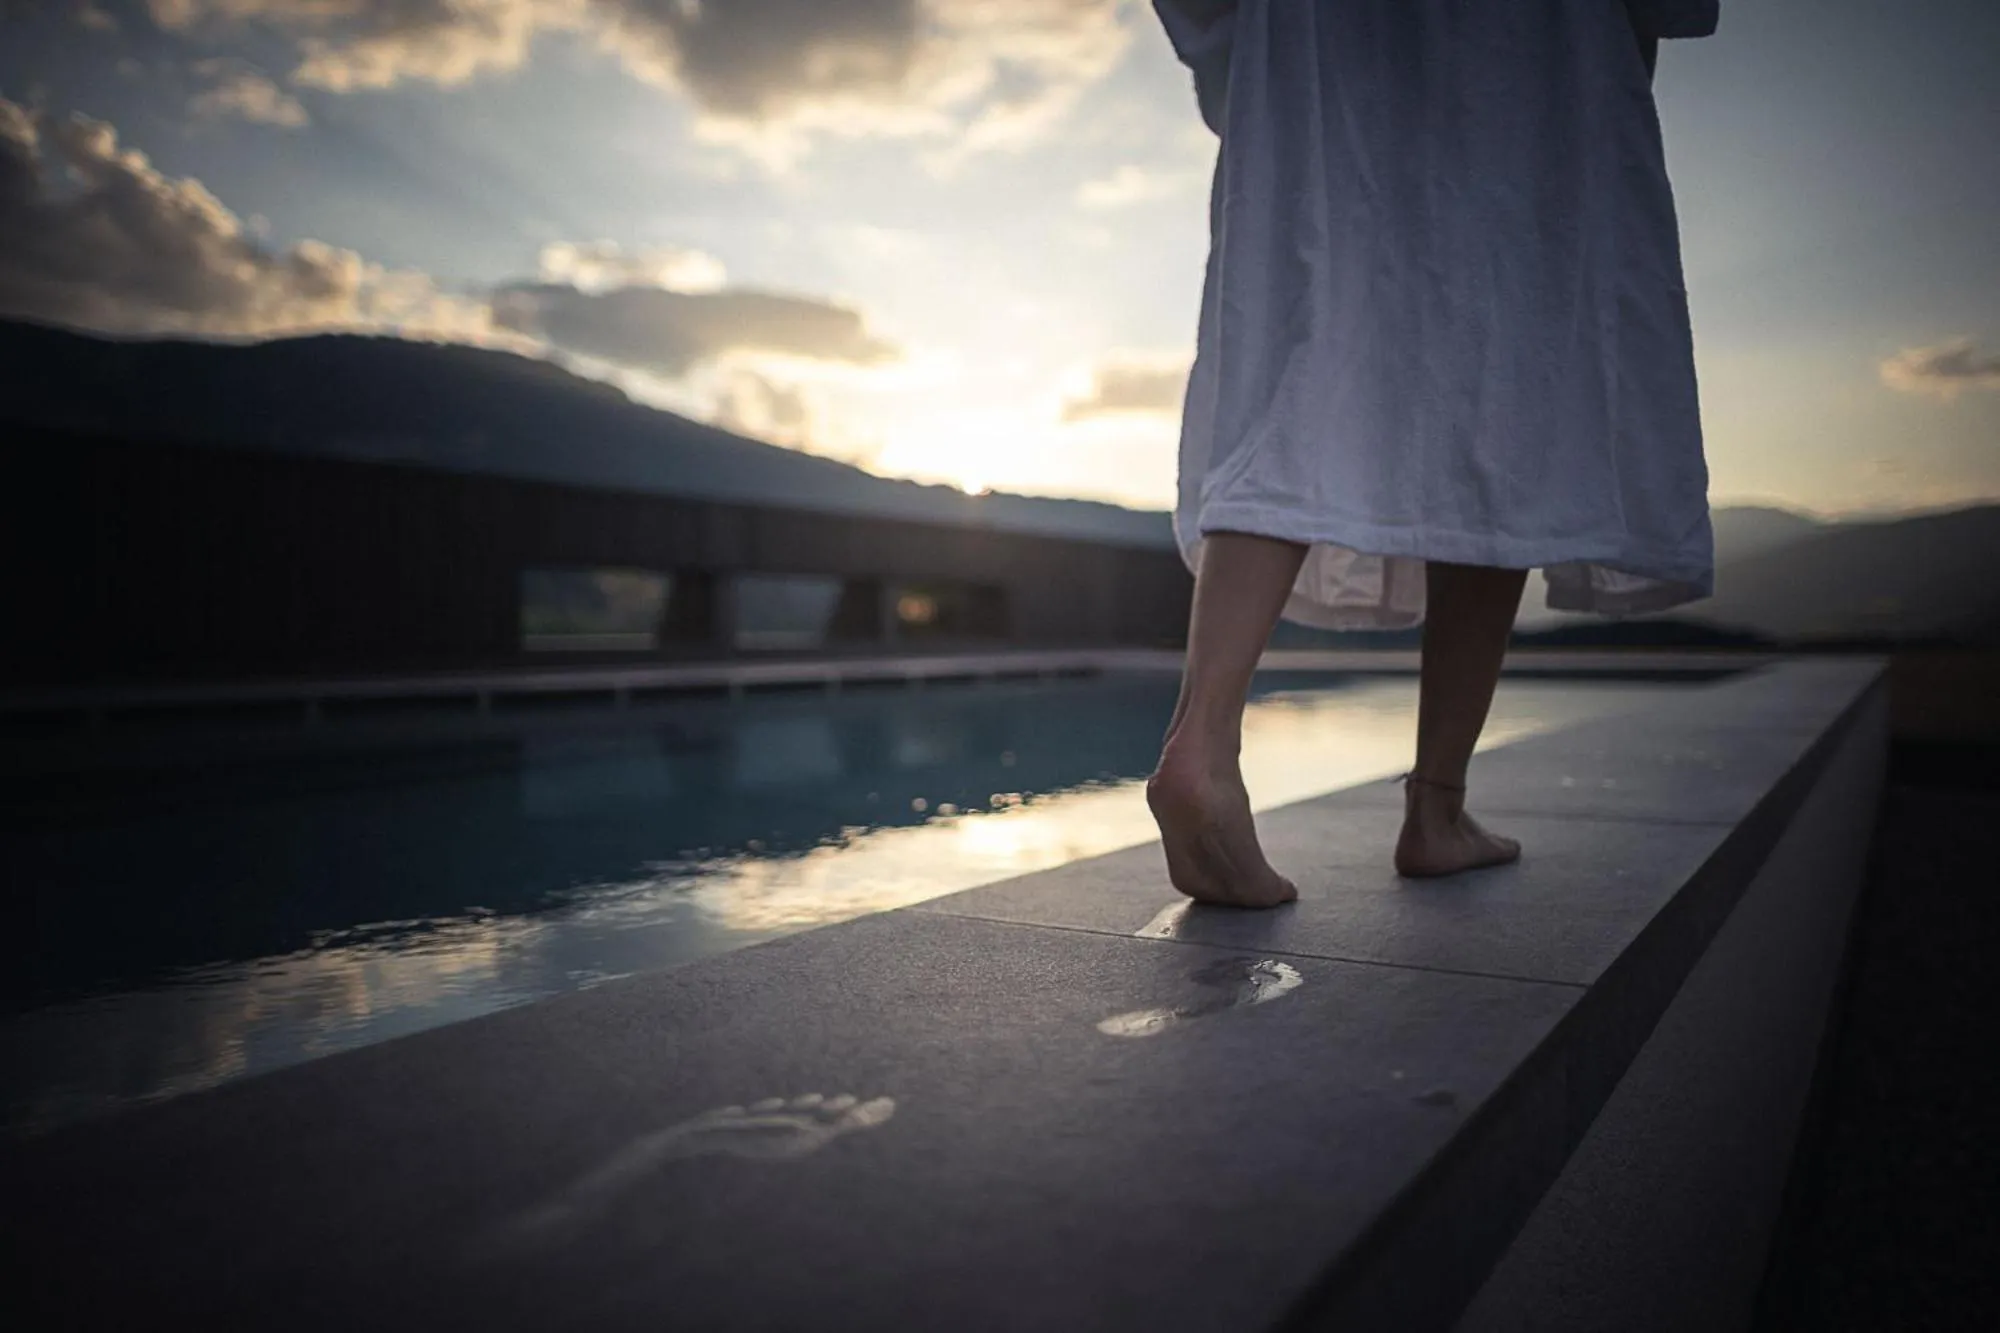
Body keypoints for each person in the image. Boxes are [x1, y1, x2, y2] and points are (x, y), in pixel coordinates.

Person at [1146, 0, 1721, 906]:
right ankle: (1438, 808)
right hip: (1531, 49)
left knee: (1302, 363)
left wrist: (1240, 58)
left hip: (1315, 43)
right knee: (1505, 393)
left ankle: (1206, 742)